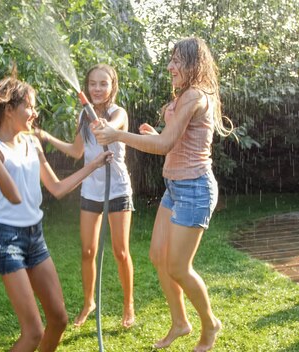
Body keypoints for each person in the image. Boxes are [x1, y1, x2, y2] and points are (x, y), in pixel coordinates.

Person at [0, 73, 112, 352]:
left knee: (59, 319)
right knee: (33, 333)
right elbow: (13, 196)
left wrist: (95, 164)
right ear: (9, 109)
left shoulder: (32, 143)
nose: (34, 112)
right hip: (7, 240)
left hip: (35, 237)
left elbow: (57, 187)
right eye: (29, 106)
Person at [92, 37, 230, 352]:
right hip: (174, 187)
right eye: (170, 60)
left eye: (177, 61)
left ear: (194, 64)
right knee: (158, 257)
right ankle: (181, 322)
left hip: (195, 189)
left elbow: (166, 145)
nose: (170, 66)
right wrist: (157, 135)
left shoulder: (195, 94)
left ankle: (210, 325)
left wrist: (117, 135)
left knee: (179, 266)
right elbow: (173, 140)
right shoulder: (185, 94)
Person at [36, 64, 135, 328]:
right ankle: (89, 302)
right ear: (87, 87)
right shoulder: (84, 115)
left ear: (113, 86)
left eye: (103, 84)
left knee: (120, 252)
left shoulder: (118, 113)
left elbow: (112, 128)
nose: (98, 89)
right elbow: (77, 151)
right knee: (87, 250)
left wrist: (104, 125)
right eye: (93, 83)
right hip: (91, 189)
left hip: (116, 189)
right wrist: (47, 137)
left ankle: (128, 305)